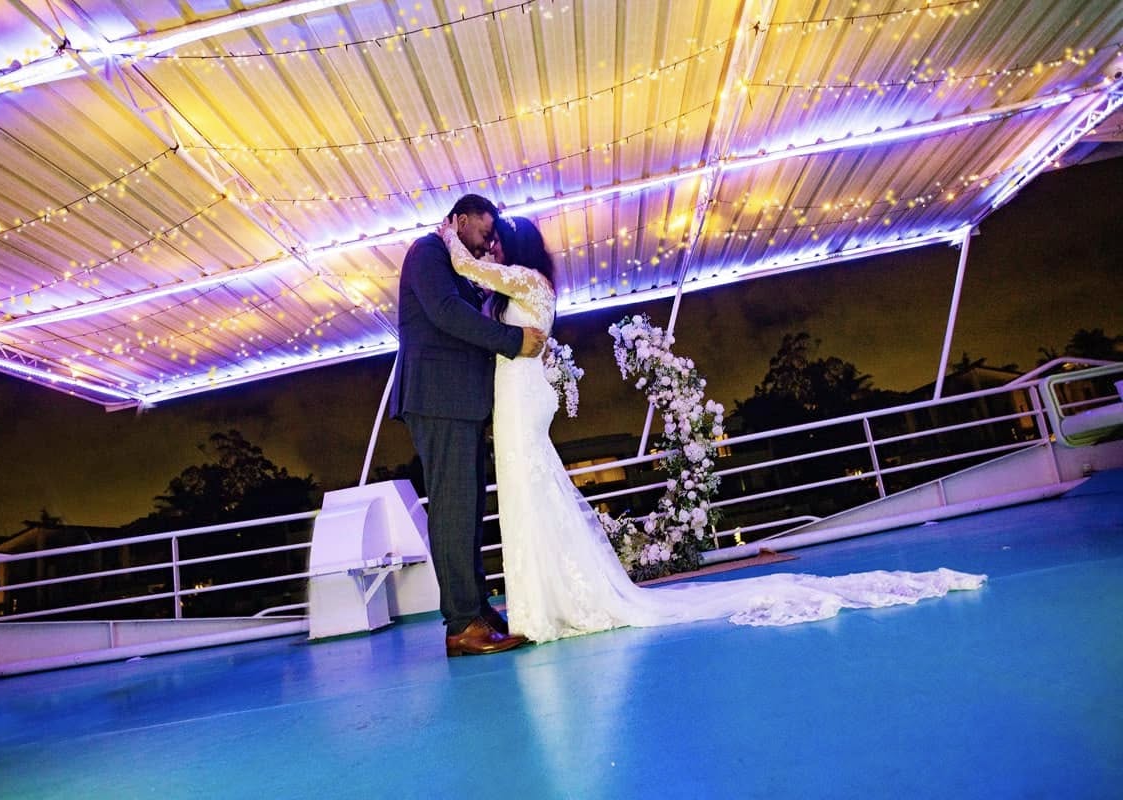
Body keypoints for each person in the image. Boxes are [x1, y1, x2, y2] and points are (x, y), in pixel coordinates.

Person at [438, 214, 987, 644]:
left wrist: (447, 235)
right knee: (528, 496)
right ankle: (540, 604)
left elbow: (466, 267)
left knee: (528, 491)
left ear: (519, 248)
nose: (494, 249)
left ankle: (544, 608)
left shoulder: (525, 280)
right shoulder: (522, 286)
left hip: (522, 402)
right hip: (517, 400)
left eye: (499, 242)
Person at [390, 193, 547, 657]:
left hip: (459, 403)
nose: (487, 243)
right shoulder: (427, 251)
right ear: (459, 220)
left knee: (468, 509)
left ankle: (476, 609)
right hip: (439, 399)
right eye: (483, 232)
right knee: (453, 510)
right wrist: (512, 340)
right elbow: (446, 312)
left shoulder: (454, 263)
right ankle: (461, 623)